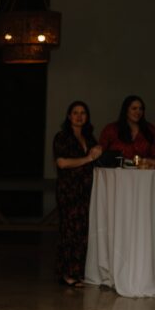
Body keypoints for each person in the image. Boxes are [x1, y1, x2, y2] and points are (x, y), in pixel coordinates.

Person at [52, 101, 102, 288]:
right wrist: (88, 157)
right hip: (69, 190)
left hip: (86, 189)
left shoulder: (89, 137)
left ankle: (78, 271)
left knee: (83, 231)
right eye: (75, 112)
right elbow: (62, 163)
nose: (79, 116)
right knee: (69, 230)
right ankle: (67, 273)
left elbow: (98, 158)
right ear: (69, 116)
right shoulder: (62, 137)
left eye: (83, 113)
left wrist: (99, 150)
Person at [98, 95, 155, 161]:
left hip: (144, 169)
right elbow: (101, 153)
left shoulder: (150, 129)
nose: (138, 112)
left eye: (141, 109)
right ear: (126, 110)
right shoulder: (111, 129)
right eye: (134, 108)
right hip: (116, 170)